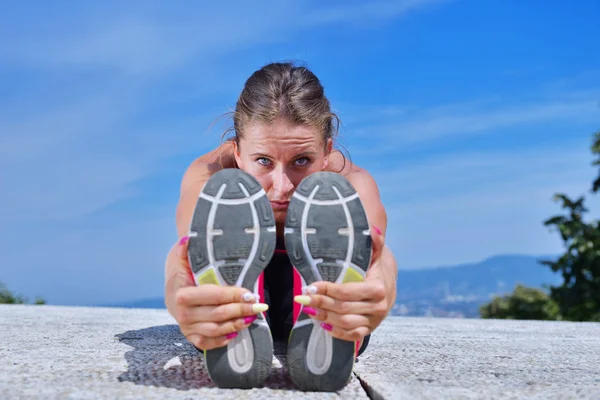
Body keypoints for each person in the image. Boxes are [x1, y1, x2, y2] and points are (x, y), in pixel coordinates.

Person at [164, 61, 398, 392]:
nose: (281, 186)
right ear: (238, 153)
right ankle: (233, 312)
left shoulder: (351, 184)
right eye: (263, 161)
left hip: (315, 300)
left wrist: (379, 292)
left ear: (327, 152)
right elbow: (186, 253)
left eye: (301, 161)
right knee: (210, 264)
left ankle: (332, 323)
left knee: (348, 260)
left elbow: (377, 256)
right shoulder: (210, 177)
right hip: (233, 302)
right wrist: (179, 296)